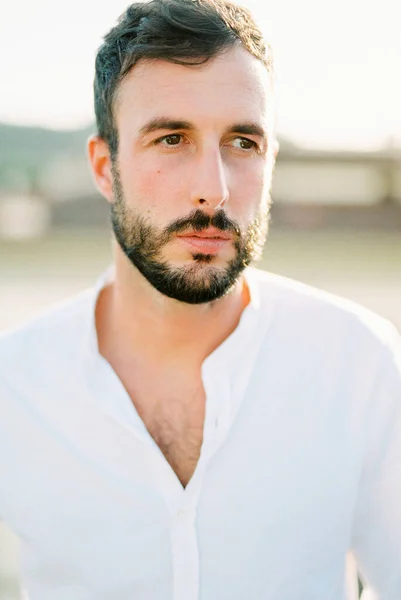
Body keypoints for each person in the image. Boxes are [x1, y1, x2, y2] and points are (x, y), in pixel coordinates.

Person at [1, 0, 400, 598]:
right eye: (171, 138)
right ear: (106, 168)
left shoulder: (365, 367)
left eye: (243, 142)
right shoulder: (17, 384)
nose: (212, 189)